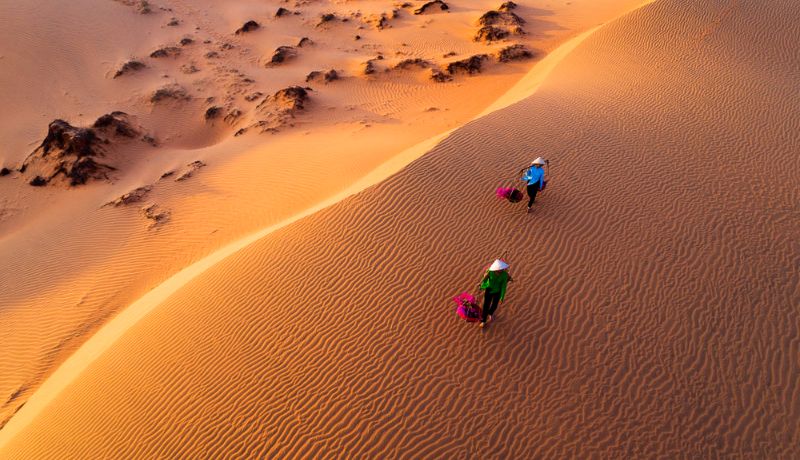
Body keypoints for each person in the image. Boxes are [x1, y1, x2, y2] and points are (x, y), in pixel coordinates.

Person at [477, 259, 513, 328]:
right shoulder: (490, 272)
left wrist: (502, 297)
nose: (502, 270)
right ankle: (483, 321)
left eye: (502, 269)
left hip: (497, 292)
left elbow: (503, 287)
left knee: (494, 305)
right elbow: (485, 279)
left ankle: (490, 313)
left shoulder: (504, 275)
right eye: (500, 269)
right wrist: (481, 284)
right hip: (489, 290)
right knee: (485, 306)